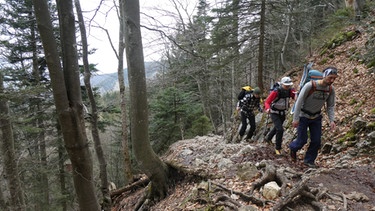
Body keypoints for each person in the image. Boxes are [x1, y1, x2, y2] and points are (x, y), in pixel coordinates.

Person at [289, 67, 337, 168]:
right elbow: (299, 102)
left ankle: (309, 160)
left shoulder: (331, 90)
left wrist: (332, 120)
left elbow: (330, 106)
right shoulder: (310, 85)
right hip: (303, 116)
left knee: (316, 141)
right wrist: (295, 119)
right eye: (330, 77)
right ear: (324, 75)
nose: (332, 80)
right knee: (302, 140)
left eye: (334, 78)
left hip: (316, 117)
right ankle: (293, 148)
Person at [264, 76, 296, 155]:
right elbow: (267, 102)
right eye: (286, 85)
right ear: (282, 84)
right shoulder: (276, 92)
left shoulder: (290, 91)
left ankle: (268, 138)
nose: (287, 87)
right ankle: (278, 148)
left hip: (283, 113)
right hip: (274, 113)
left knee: (277, 128)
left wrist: (297, 96)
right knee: (280, 129)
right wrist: (267, 109)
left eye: (289, 85)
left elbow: (295, 97)